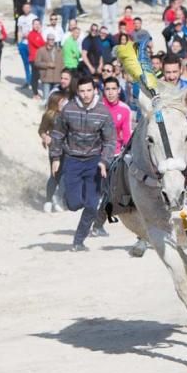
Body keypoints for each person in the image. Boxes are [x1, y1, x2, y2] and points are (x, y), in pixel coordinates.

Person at [49, 76, 116, 252]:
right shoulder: (68, 109)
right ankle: (68, 198)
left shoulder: (103, 112)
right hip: (72, 160)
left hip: (94, 162)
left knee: (92, 206)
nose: (86, 95)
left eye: (89, 90)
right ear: (77, 92)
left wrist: (104, 161)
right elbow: (57, 134)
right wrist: (56, 158)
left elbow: (110, 141)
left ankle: (78, 241)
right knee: (73, 204)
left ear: (95, 91)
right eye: (82, 91)